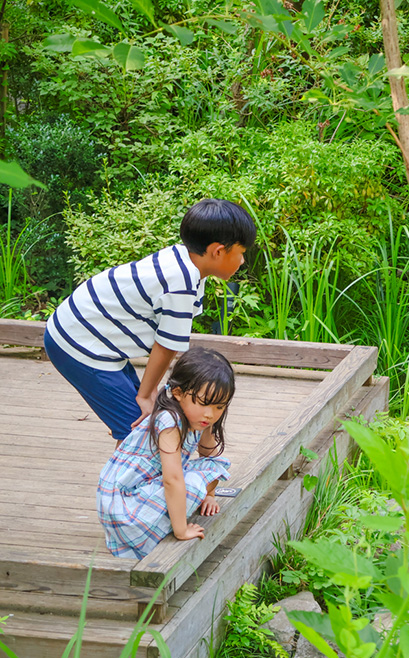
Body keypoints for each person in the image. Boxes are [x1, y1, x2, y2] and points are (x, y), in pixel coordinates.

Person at [43, 198, 256, 442]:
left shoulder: (185, 261)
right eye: (241, 253)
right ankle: (122, 481)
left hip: (82, 331)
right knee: (139, 430)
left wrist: (150, 391)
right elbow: (166, 345)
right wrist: (146, 395)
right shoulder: (181, 284)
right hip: (79, 345)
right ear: (218, 251)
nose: (242, 261)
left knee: (140, 421)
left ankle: (128, 475)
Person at [96, 347, 235, 559]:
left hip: (139, 493)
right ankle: (168, 527)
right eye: (204, 403)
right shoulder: (169, 420)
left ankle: (170, 517)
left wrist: (210, 495)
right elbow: (172, 479)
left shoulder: (202, 418)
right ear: (178, 393)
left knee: (215, 466)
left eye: (219, 406)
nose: (211, 413)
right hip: (126, 508)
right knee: (187, 483)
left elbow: (210, 457)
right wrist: (181, 531)